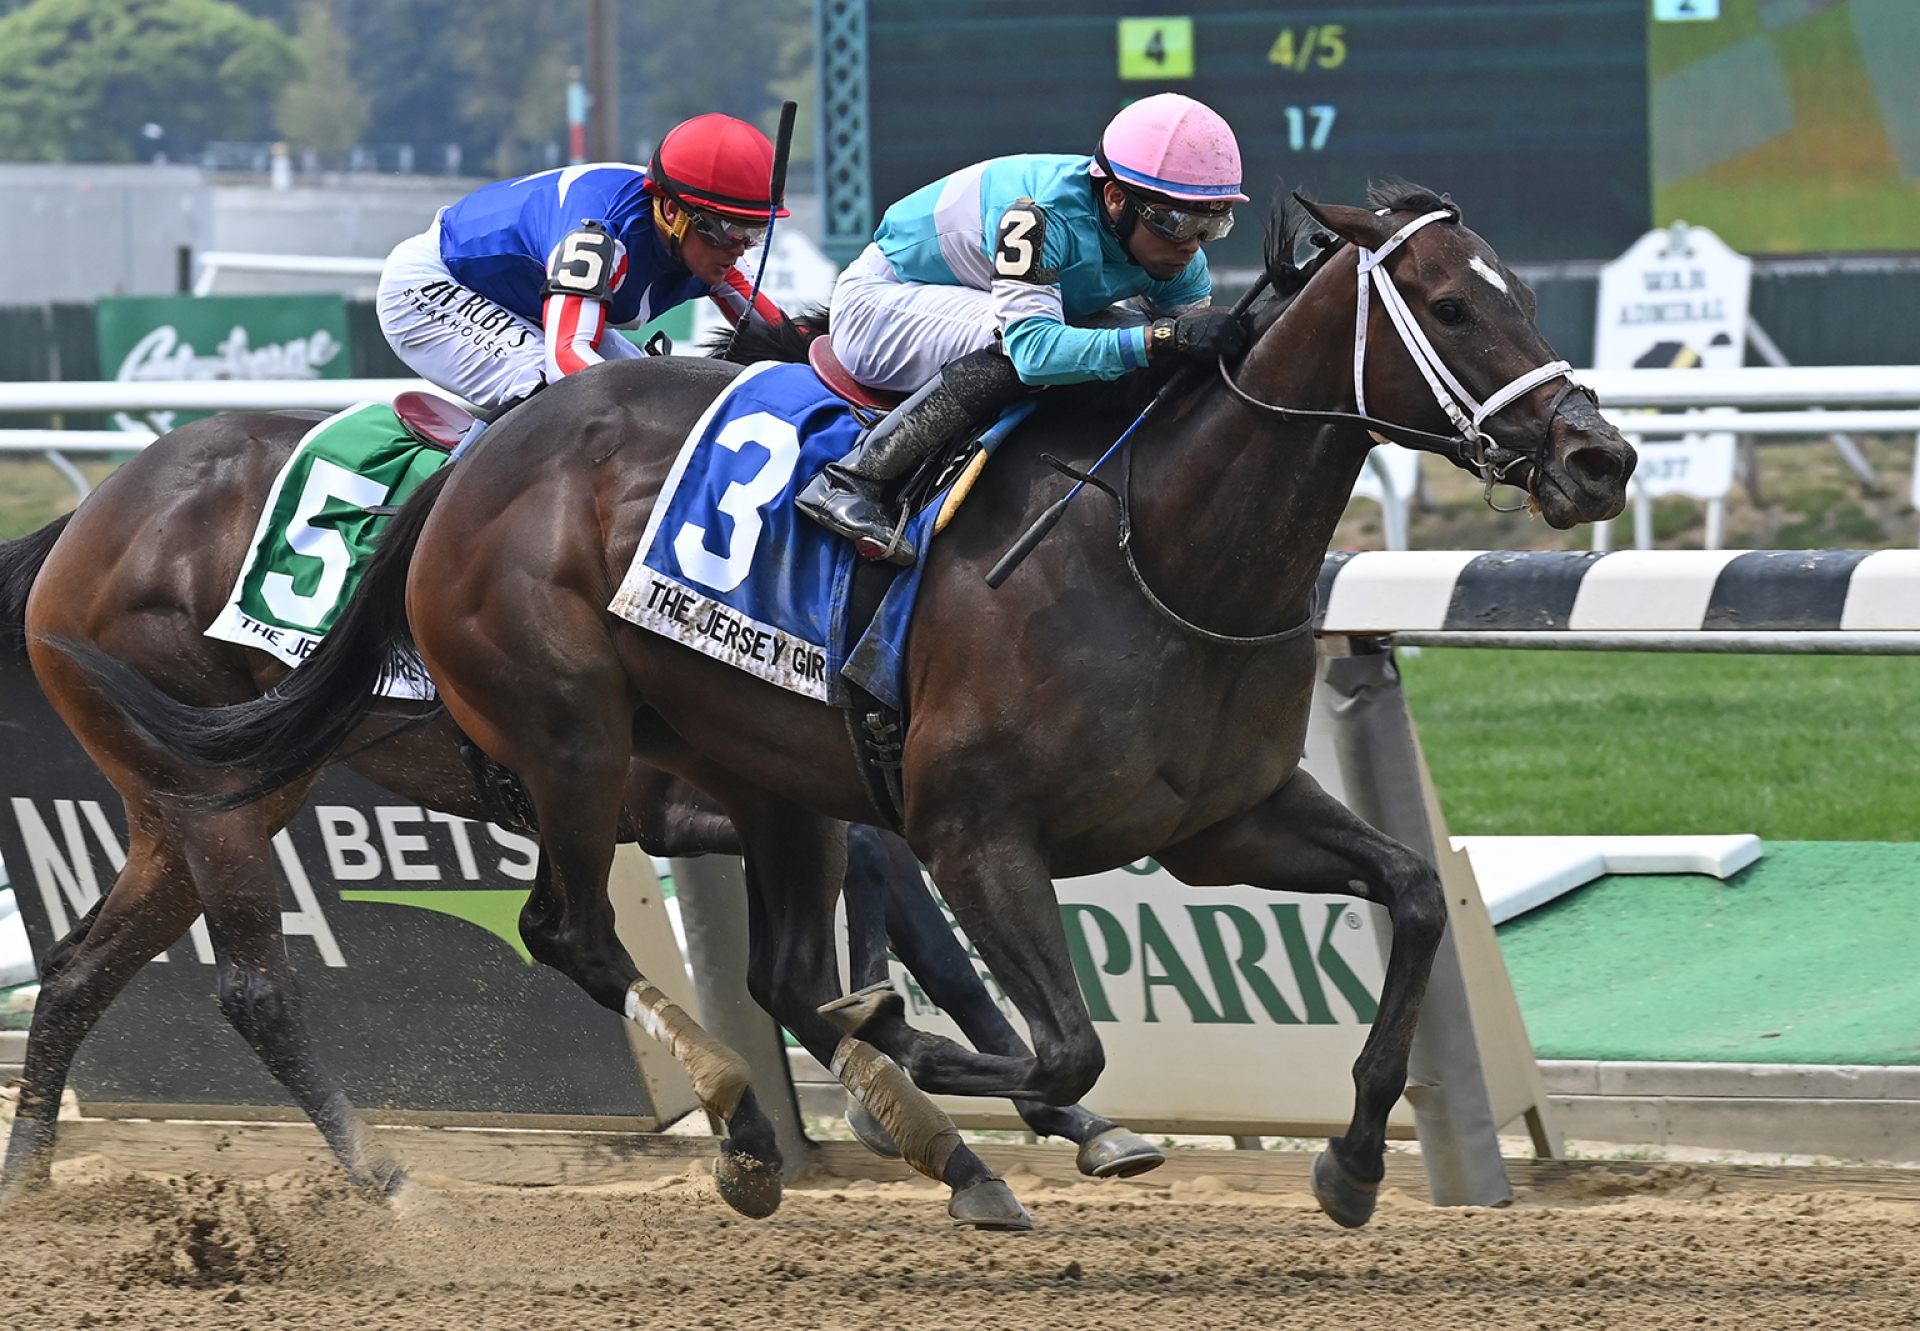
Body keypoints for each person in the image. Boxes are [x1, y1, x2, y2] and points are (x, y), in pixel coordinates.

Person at [796, 92, 1252, 564]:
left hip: (969, 301)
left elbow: (1184, 354)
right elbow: (1034, 353)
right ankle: (852, 479)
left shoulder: (1180, 260)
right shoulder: (1038, 215)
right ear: (1117, 199)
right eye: (1177, 223)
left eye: (1211, 226)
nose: (1191, 247)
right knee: (1021, 344)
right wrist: (1160, 338)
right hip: (879, 307)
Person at [376, 113, 786, 430]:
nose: (739, 247)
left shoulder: (708, 246)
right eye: (727, 229)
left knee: (655, 388)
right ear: (671, 211)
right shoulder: (598, 236)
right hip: (435, 283)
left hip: (528, 298)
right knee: (550, 391)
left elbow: (785, 340)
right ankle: (445, 494)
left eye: (753, 232)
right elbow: (566, 362)